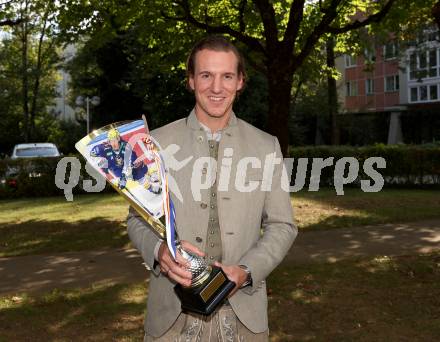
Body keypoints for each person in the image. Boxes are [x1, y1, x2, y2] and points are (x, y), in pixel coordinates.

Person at [127, 35, 297, 341]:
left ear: (240, 81)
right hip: (171, 319)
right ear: (191, 80)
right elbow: (137, 219)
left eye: (227, 76)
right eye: (206, 75)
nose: (216, 88)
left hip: (245, 318)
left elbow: (282, 225)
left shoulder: (266, 146)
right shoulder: (157, 144)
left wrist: (246, 270)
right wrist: (159, 251)